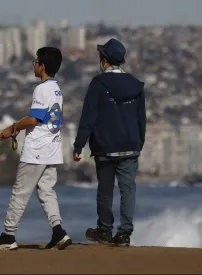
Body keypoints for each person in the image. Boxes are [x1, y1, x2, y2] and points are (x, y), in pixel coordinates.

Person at [0, 47, 72, 251]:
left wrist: (11, 129)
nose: (33, 64)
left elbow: (34, 118)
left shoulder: (42, 89)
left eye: (35, 61)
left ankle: (8, 236)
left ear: (42, 66)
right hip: (51, 150)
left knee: (20, 193)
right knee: (47, 192)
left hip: (37, 151)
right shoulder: (57, 89)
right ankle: (59, 232)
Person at [72, 38, 146, 247]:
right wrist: (138, 142)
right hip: (131, 146)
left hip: (106, 146)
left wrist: (79, 145)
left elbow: (89, 117)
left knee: (105, 191)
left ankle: (104, 230)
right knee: (127, 190)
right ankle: (124, 233)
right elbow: (141, 118)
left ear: (104, 60)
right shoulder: (136, 85)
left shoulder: (98, 84)